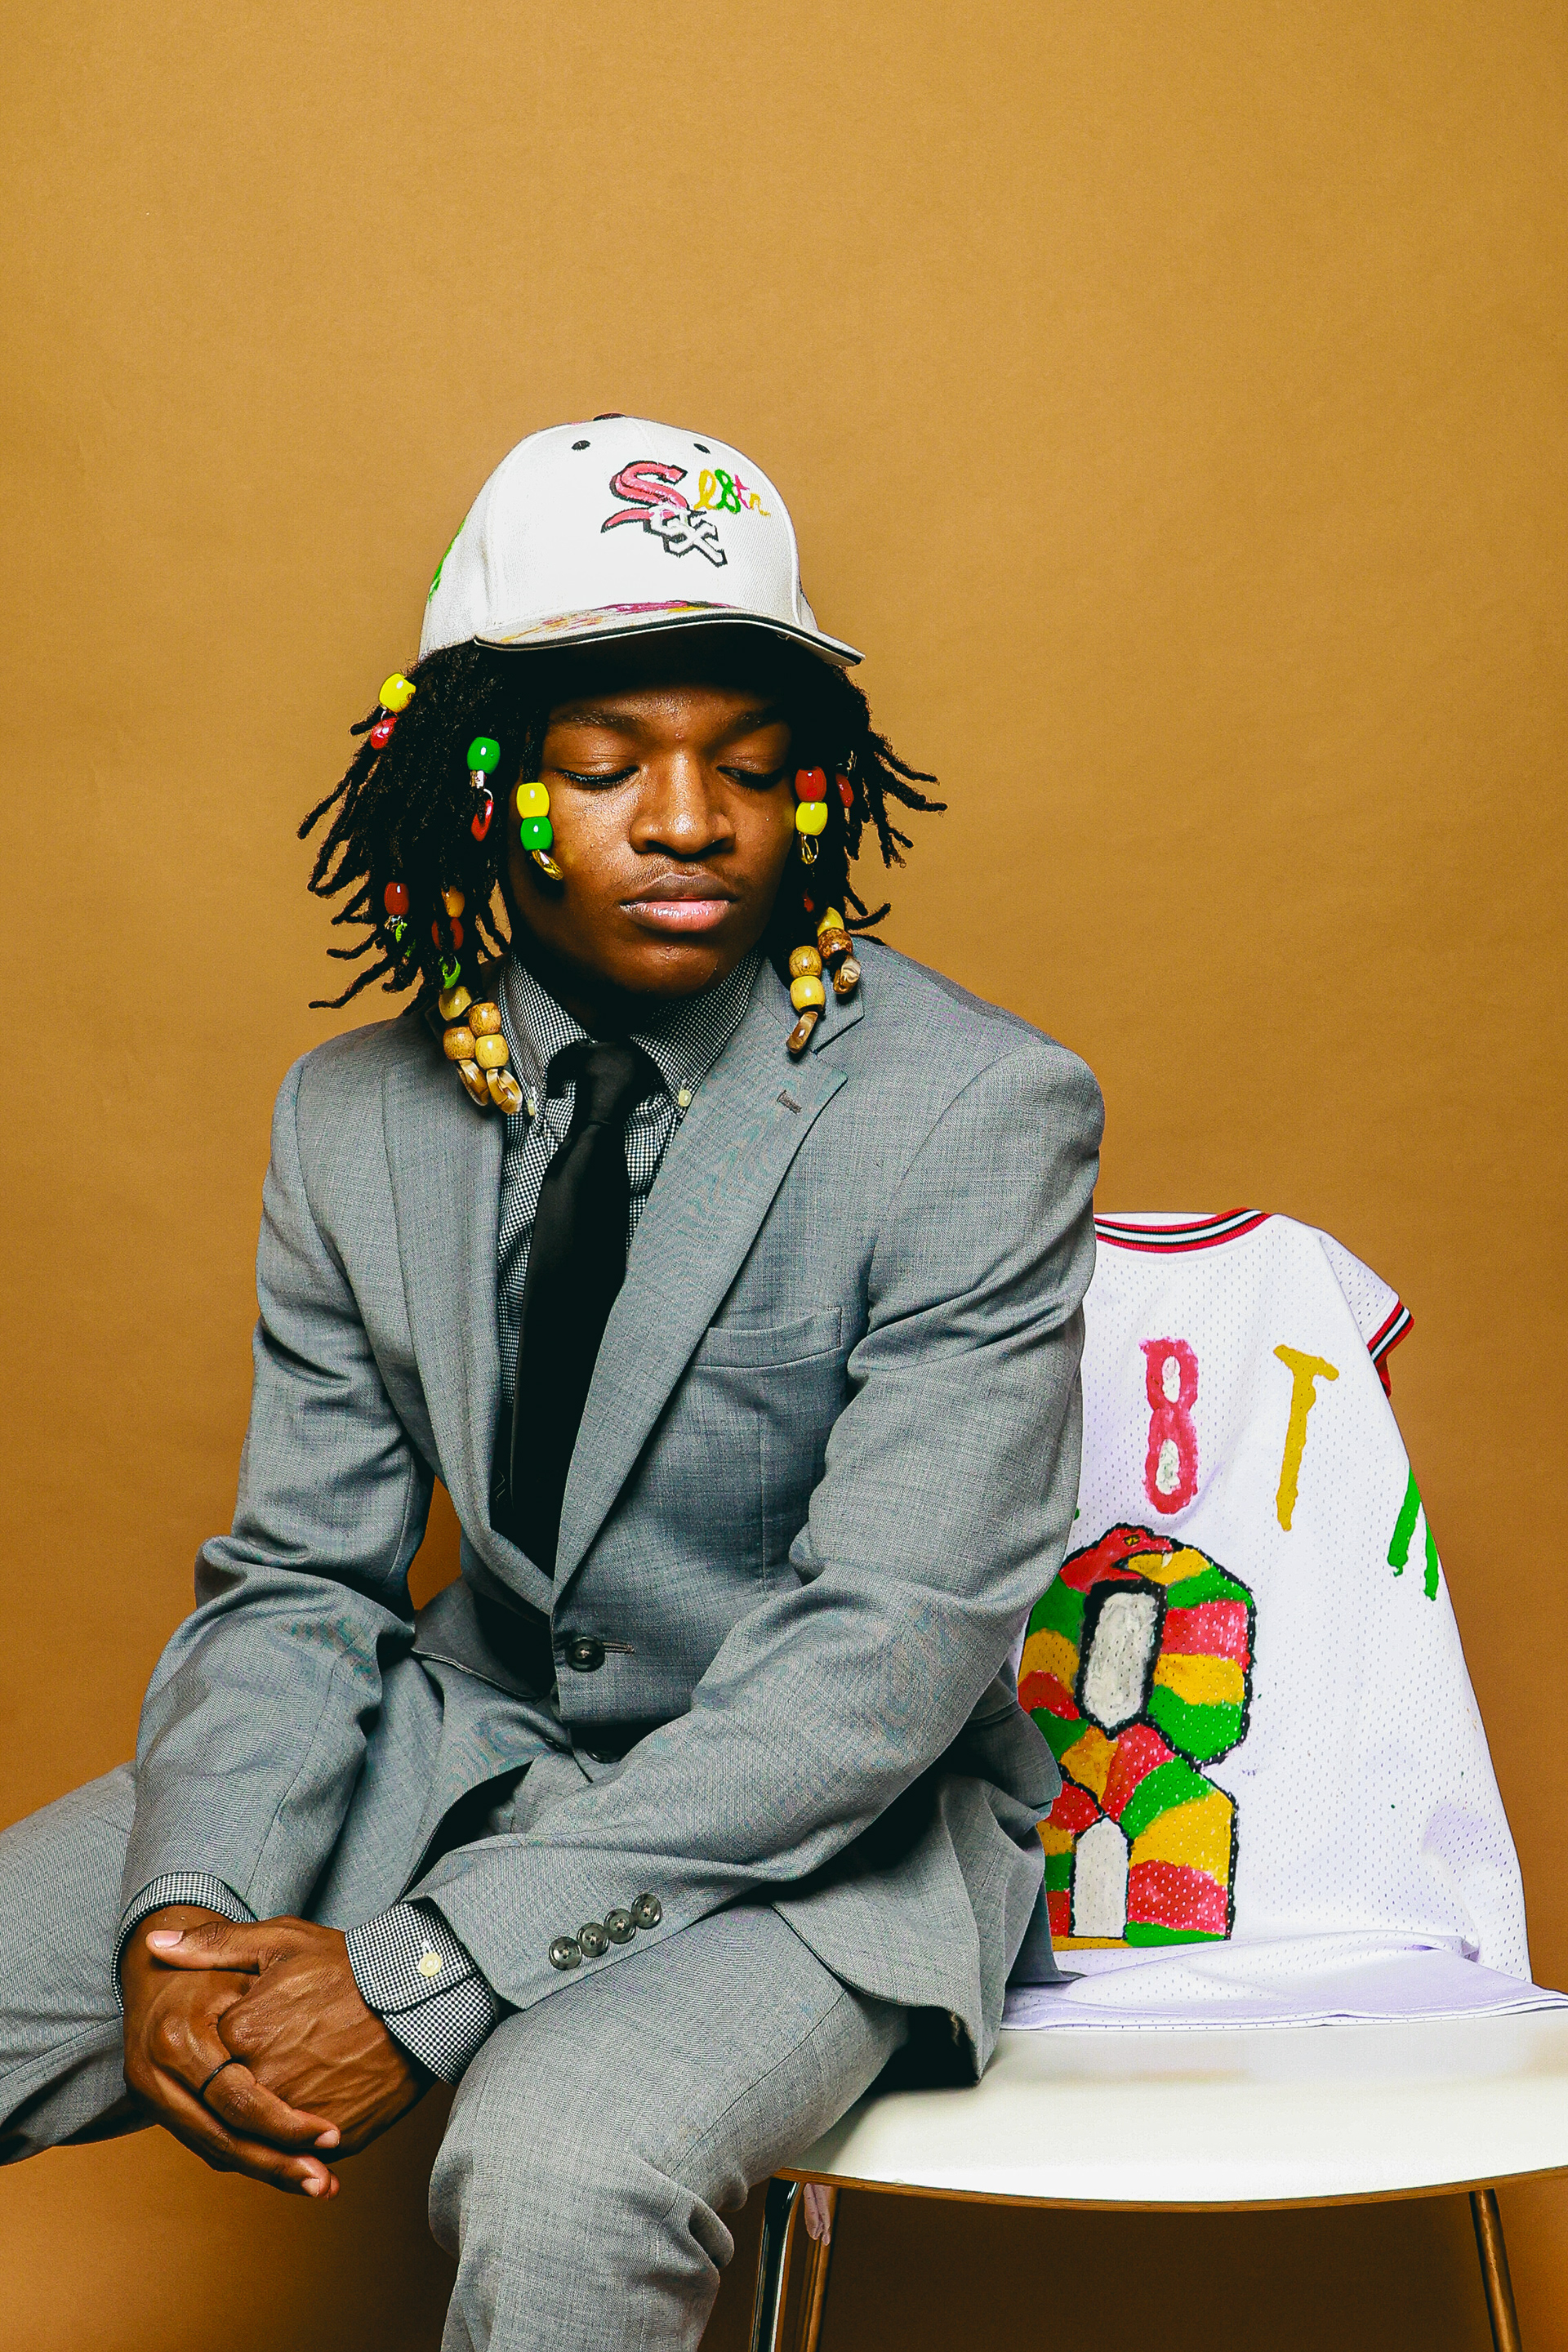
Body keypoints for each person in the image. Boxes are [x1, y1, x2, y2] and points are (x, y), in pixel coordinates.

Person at [0, 416, 1102, 2348]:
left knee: (564, 2169)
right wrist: (193, 1906)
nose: (689, 821)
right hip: (464, 1739)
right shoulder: (353, 1118)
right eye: (603, 769)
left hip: (822, 1834)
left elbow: (886, 1661)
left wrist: (428, 1966)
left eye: (751, 766)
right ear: (472, 787)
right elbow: (300, 1583)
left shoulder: (974, 1112)